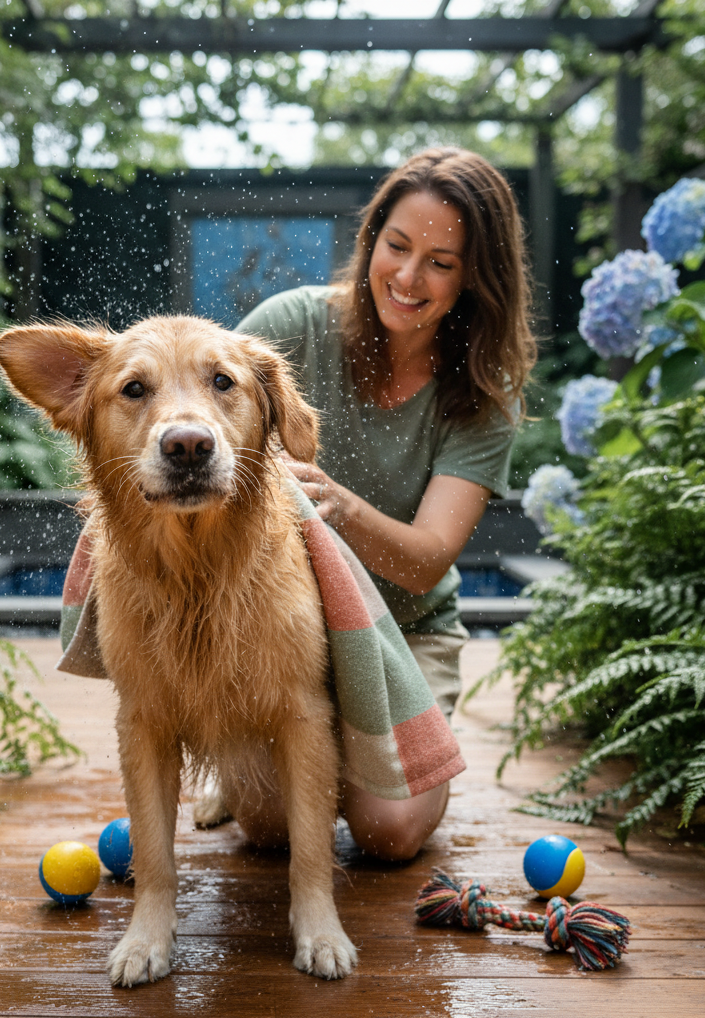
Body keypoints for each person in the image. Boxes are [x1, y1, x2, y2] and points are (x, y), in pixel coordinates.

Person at [230, 146, 537, 860]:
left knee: (389, 834)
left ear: (475, 279)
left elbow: (428, 562)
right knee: (269, 827)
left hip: (405, 633)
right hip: (286, 633)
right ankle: (309, 759)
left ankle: (370, 758)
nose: (406, 276)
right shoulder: (291, 326)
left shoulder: (483, 394)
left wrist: (337, 504)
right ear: (372, 240)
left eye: (440, 261)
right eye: (396, 246)